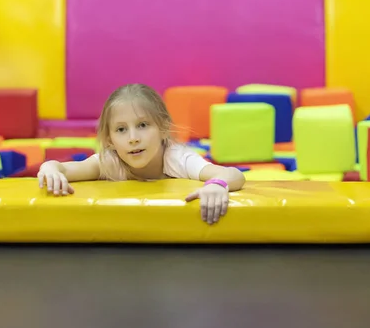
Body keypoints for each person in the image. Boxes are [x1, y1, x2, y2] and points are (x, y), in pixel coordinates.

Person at [37, 83, 245, 225]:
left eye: (143, 125)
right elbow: (64, 168)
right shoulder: (110, 160)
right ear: (109, 139)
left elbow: (234, 174)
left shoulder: (177, 158)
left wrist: (217, 185)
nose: (133, 138)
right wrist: (50, 167)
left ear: (163, 128)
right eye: (121, 129)